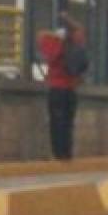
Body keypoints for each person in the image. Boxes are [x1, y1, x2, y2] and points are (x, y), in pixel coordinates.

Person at [37, 12, 87, 160]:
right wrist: (69, 20)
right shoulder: (75, 43)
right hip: (71, 89)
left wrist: (57, 35)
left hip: (56, 89)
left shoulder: (52, 43)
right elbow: (80, 29)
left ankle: (58, 154)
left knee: (56, 123)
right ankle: (67, 154)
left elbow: (40, 35)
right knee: (68, 123)